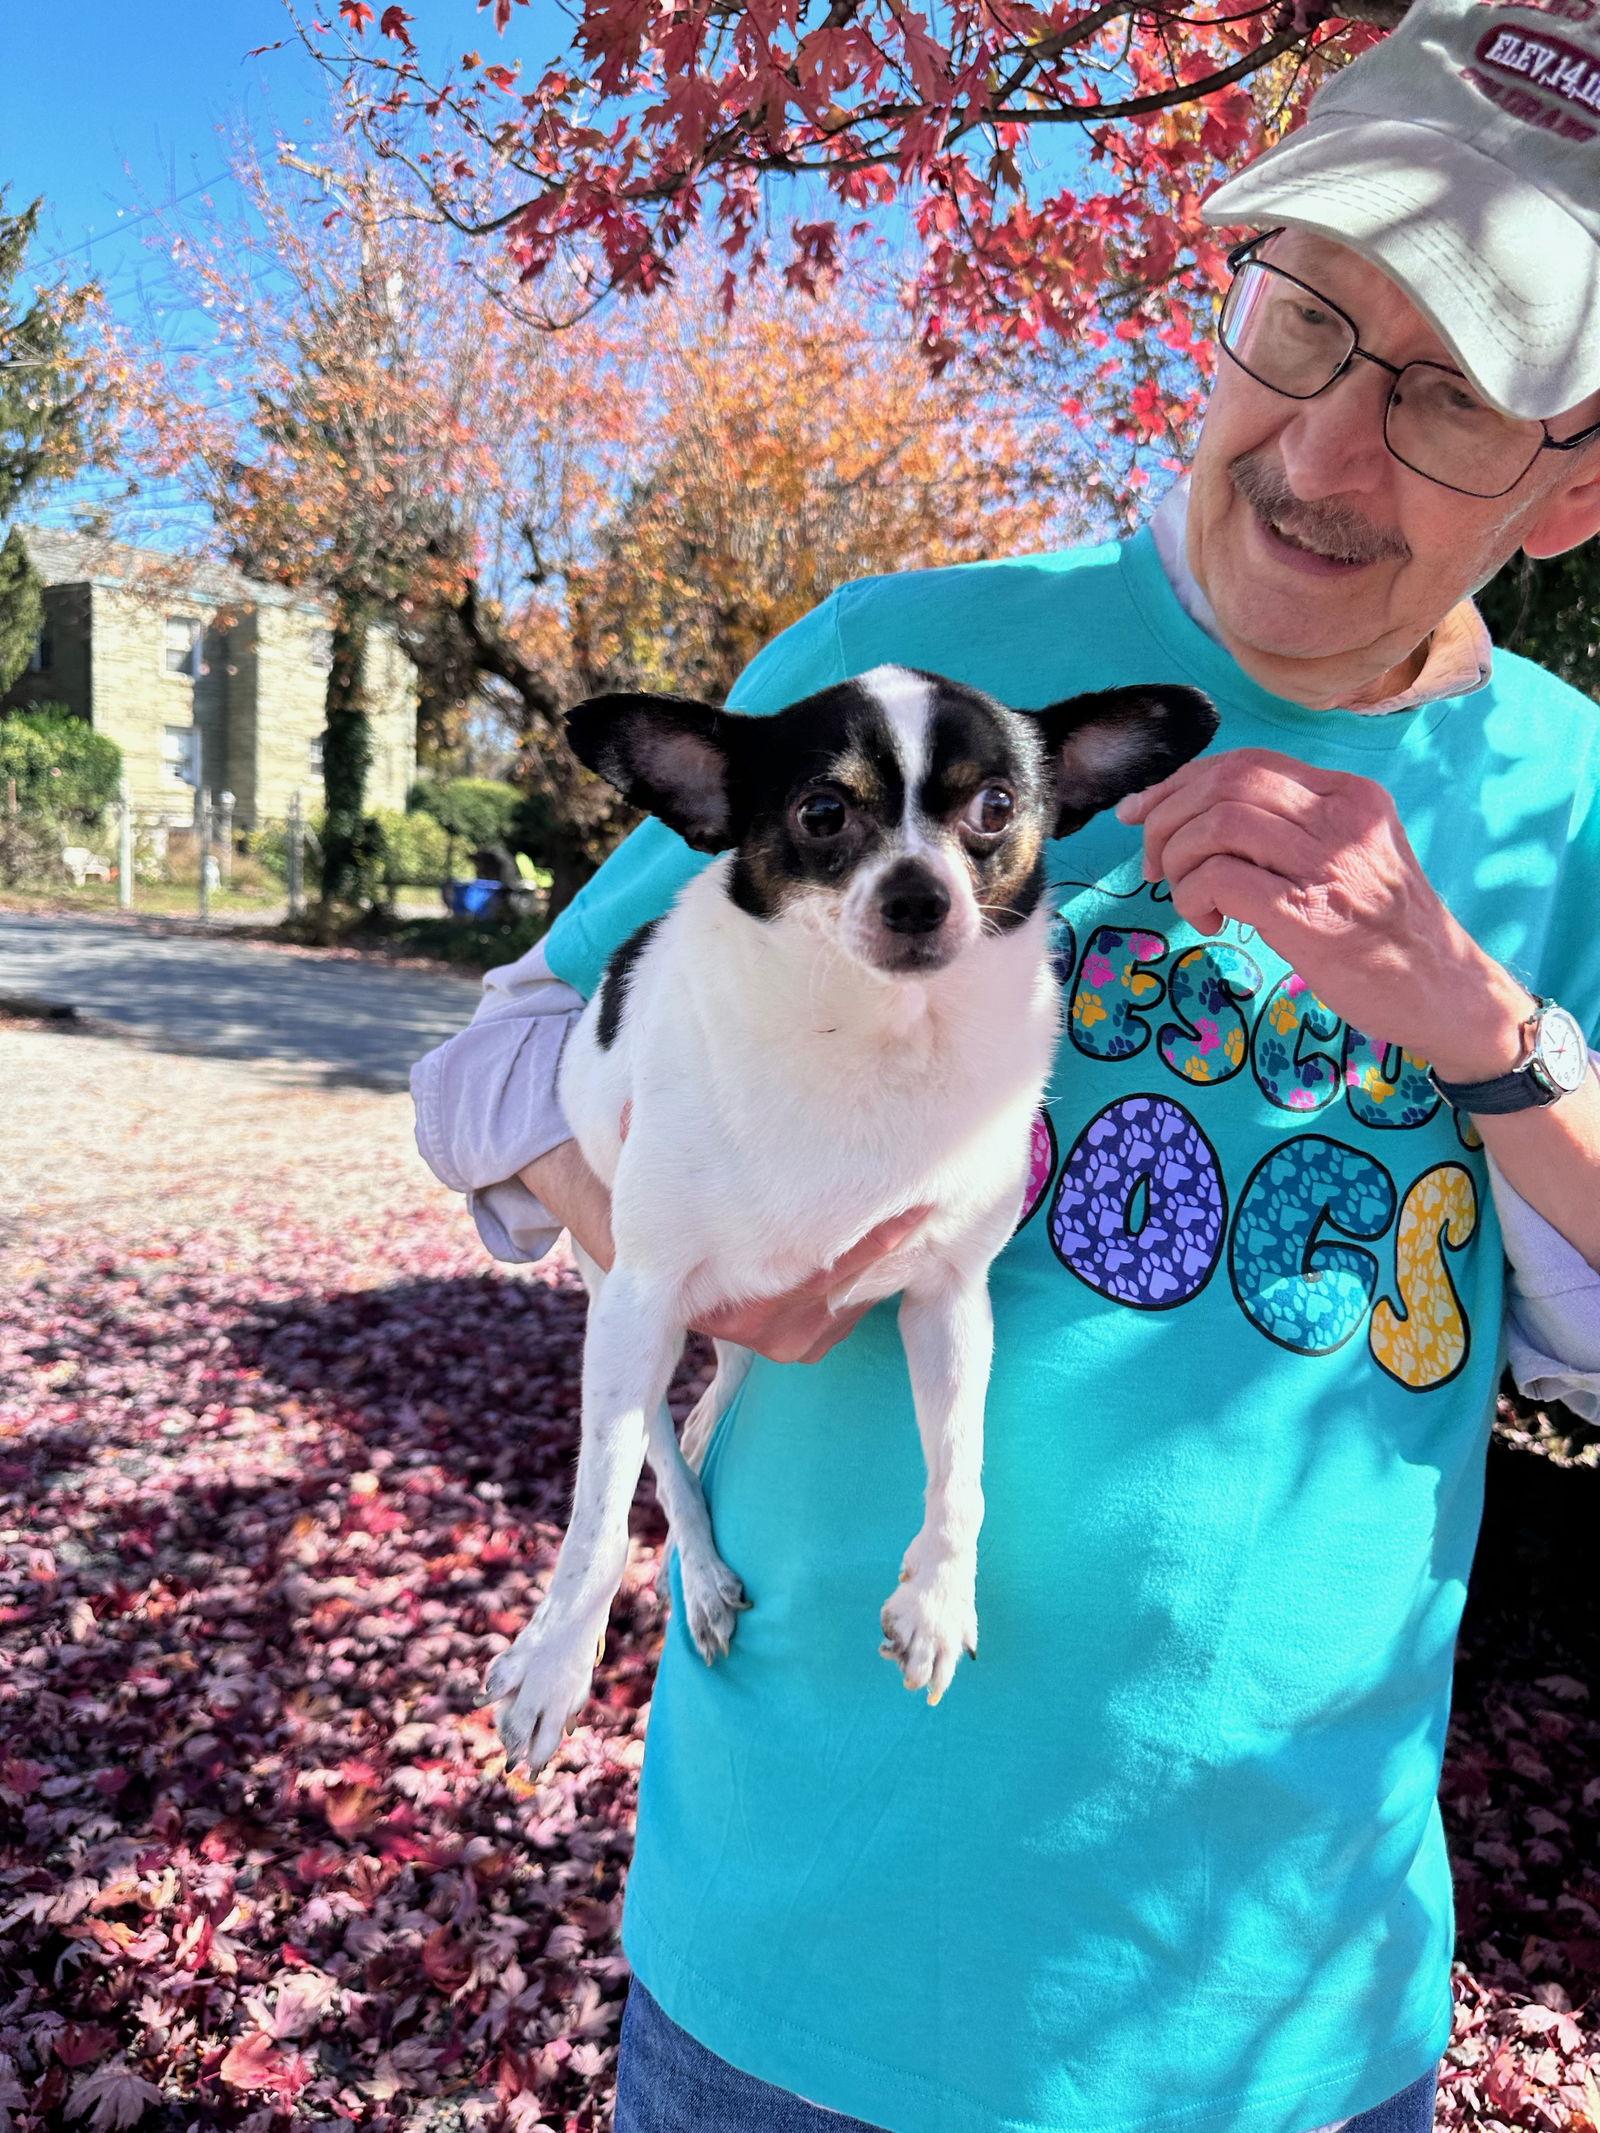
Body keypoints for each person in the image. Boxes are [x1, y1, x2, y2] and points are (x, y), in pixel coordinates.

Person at [411, 2, 1600, 2126]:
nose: (1325, 449)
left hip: (1283, 2018)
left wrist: (1480, 1027)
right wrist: (688, 1238)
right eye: (1301, 321)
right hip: (792, 1971)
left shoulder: (1570, 808)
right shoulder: (904, 665)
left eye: (1444, 399)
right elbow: (496, 1072)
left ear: (1576, 475)